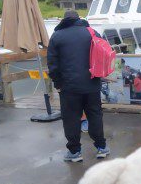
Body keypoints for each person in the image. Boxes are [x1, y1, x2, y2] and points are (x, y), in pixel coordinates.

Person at [47, 10, 109, 162]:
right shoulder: (92, 32)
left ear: (64, 20)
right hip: (92, 82)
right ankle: (101, 147)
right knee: (95, 114)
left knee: (71, 118)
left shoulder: (57, 36)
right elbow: (103, 55)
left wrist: (57, 83)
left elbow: (52, 64)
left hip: (69, 86)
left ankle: (75, 152)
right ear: (78, 19)